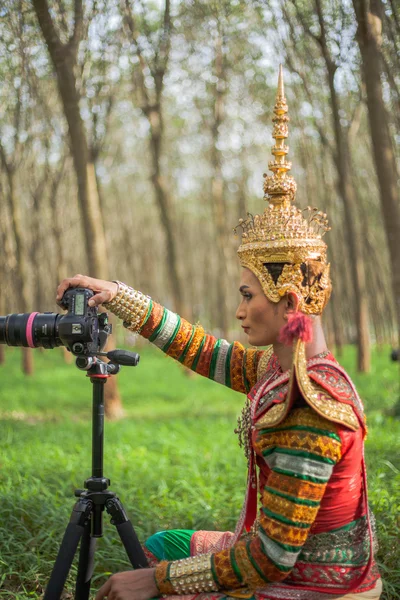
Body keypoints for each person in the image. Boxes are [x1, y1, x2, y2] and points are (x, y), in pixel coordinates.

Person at [56, 68, 382, 600]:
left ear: (291, 302)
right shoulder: (283, 369)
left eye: (248, 296)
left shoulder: (308, 405)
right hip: (274, 557)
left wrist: (156, 582)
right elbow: (203, 349)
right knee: (166, 542)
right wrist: (116, 294)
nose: (239, 310)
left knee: (149, 574)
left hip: (309, 589)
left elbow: (271, 559)